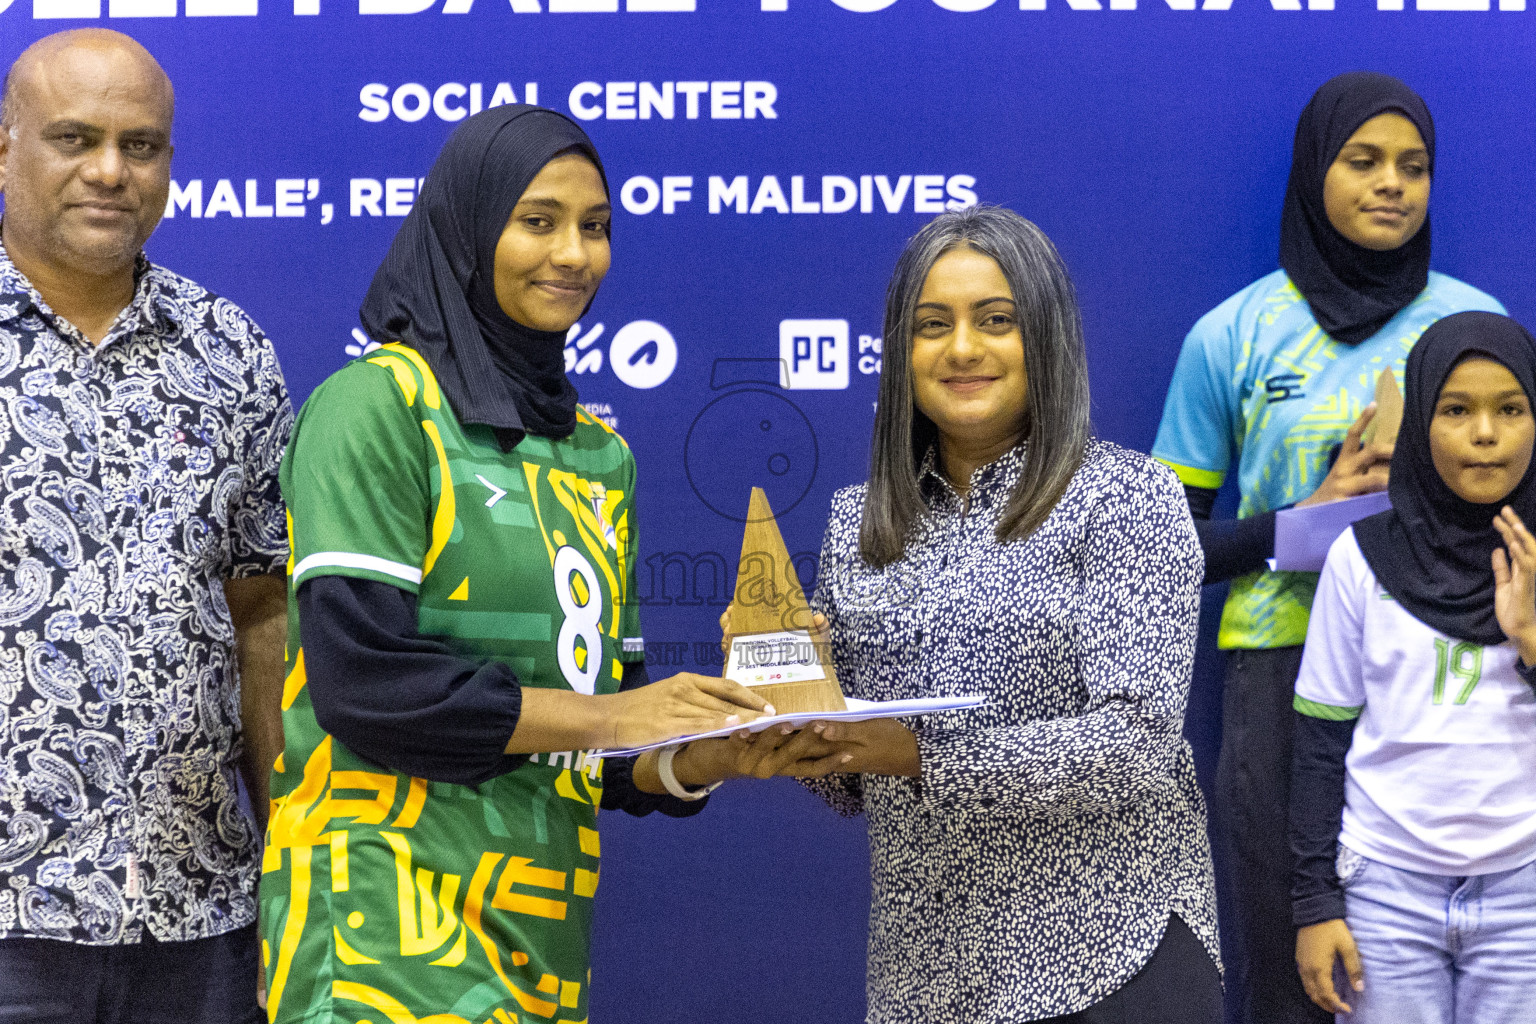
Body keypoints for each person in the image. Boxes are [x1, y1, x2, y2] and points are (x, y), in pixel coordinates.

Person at [259, 105, 779, 1024]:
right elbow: (366, 685)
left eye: (596, 227)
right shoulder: (377, 406)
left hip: (538, 945)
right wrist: (618, 713)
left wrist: (705, 750)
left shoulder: (597, 457)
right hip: (380, 933)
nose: (574, 254)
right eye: (537, 221)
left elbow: (603, 740)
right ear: (466, 229)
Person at [737, 205, 1221, 1023]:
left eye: (995, 321)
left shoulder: (1126, 497)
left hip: (1107, 955)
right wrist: (795, 713)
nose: (962, 348)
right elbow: (852, 784)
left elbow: (1135, 743)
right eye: (933, 325)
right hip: (926, 980)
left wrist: (919, 755)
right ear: (902, 351)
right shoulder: (860, 522)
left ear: (1046, 337)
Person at [1150, 71, 1504, 1024]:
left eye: (1414, 166)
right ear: (1316, 173)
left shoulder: (1476, 328)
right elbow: (1159, 551)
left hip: (1447, 669)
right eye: (1364, 160)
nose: (1392, 183)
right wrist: (1304, 521)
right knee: (1288, 954)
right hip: (1275, 664)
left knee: (1452, 959)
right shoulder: (1231, 335)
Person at [0, 29, 290, 1024]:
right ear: (5, 148)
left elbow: (262, 620)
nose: (111, 171)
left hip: (198, 916)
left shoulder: (229, 352)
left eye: (143, 146)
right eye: (74, 139)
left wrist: (291, 857)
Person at [1290, 311, 1536, 1023]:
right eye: (1456, 410)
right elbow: (1318, 741)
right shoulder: (1360, 556)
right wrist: (1315, 904)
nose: (1485, 433)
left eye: (1511, 409)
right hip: (1384, 893)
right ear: (1423, 423)